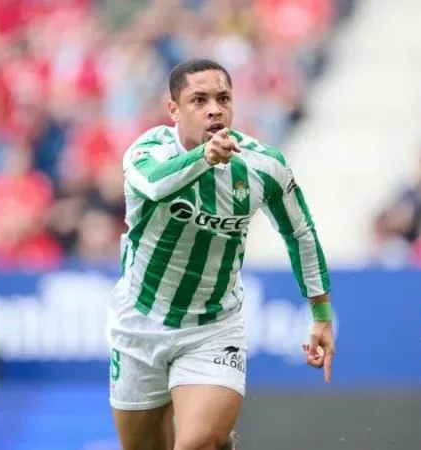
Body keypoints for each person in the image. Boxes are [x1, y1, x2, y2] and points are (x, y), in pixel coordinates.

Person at [107, 58, 335, 450]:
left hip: (213, 327)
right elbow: (155, 185)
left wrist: (321, 313)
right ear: (174, 110)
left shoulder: (263, 165)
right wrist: (205, 158)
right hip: (140, 320)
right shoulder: (147, 151)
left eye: (223, 98)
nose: (214, 109)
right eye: (199, 100)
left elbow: (300, 232)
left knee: (197, 443)